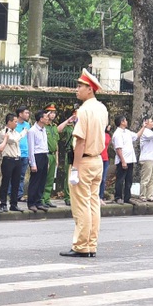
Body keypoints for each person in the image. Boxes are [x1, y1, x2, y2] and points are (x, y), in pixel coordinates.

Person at [61, 69, 108, 258]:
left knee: (81, 205)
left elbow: (80, 141)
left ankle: (81, 245)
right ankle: (91, 244)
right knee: (93, 204)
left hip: (84, 160)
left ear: (90, 89)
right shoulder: (102, 108)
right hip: (97, 159)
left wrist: (75, 167)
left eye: (80, 86)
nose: (77, 89)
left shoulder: (84, 110)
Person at [26, 110, 51, 213]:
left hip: (44, 155)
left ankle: (38, 201)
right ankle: (31, 202)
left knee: (42, 180)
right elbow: (31, 148)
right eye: (46, 117)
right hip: (37, 156)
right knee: (35, 180)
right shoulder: (32, 131)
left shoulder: (44, 129)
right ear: (40, 119)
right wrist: (32, 163)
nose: (47, 118)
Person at [0, 113, 24, 212]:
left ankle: (14, 204)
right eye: (15, 121)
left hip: (17, 159)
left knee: (16, 183)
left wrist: (20, 134)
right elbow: (13, 140)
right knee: (5, 182)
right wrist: (23, 133)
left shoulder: (16, 132)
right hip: (8, 159)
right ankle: (3, 203)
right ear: (9, 122)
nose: (16, 124)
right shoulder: (4, 132)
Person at [111, 115, 138, 204]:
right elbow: (118, 148)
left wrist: (144, 127)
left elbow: (136, 136)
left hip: (130, 159)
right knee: (120, 179)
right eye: (125, 120)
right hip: (123, 160)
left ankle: (127, 197)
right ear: (122, 122)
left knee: (129, 180)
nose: (126, 122)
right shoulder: (117, 134)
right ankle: (118, 197)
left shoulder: (127, 132)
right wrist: (123, 161)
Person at [42, 105, 60, 207]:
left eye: (54, 113)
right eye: (50, 112)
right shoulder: (43, 126)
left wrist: (57, 157)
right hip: (46, 154)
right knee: (43, 178)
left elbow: (56, 143)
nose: (53, 115)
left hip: (53, 154)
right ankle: (41, 199)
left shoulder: (54, 127)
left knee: (50, 179)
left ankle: (47, 198)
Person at [15, 106, 32, 205]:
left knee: (21, 176)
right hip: (16, 153)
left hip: (25, 153)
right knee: (13, 175)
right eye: (26, 113)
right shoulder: (14, 124)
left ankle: (19, 195)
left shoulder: (27, 125)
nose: (28, 115)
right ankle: (12, 193)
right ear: (20, 114)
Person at [99, 124, 112, 201]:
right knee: (97, 177)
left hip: (105, 158)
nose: (110, 127)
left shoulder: (108, 135)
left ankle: (101, 196)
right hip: (98, 157)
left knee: (103, 179)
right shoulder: (98, 134)